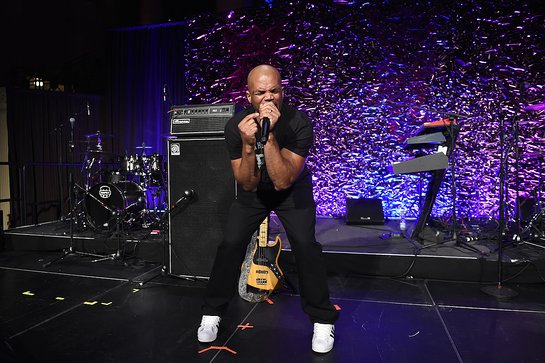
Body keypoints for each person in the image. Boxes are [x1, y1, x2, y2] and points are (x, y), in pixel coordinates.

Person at [197, 64, 339, 353]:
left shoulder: (298, 123)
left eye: (274, 91)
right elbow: (247, 184)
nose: (268, 98)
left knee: (305, 244)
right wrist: (249, 145)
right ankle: (211, 314)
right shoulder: (235, 127)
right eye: (261, 93)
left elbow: (284, 179)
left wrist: (269, 136)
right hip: (256, 192)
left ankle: (323, 320)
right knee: (230, 243)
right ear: (249, 96)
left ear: (282, 92)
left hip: (291, 190)